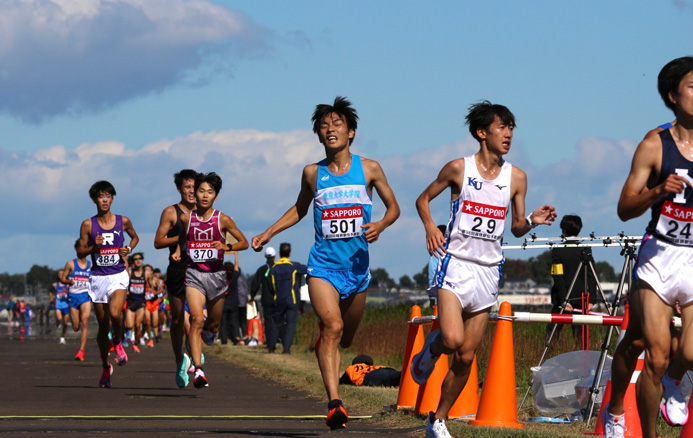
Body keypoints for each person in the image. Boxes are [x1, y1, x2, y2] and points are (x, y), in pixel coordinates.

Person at [251, 96, 400, 429]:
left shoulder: (370, 168)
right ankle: (334, 403)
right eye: (324, 126)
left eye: (337, 124)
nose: (330, 129)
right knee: (332, 328)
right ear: (318, 136)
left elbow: (394, 208)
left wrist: (381, 225)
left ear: (351, 133)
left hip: (358, 270)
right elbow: (299, 209)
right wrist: (268, 232)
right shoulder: (312, 173)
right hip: (322, 268)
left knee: (346, 338)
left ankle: (333, 349)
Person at [412, 101, 556, 438]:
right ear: (481, 132)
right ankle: (431, 350)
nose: (508, 134)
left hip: (489, 271)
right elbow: (422, 199)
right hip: (456, 264)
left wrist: (532, 221)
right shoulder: (458, 169)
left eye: (511, 128)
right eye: (501, 127)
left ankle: (439, 420)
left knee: (465, 356)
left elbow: (516, 226)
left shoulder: (516, 177)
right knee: (451, 338)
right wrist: (431, 227)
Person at [603, 56, 693, 438]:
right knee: (650, 353)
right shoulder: (654, 144)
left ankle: (676, 379)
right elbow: (624, 208)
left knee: (687, 353)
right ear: (673, 96)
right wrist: (658, 190)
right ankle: (626, 417)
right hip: (658, 257)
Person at [172, 172, 249, 389]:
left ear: (216, 196)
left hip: (216, 277)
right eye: (201, 191)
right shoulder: (187, 218)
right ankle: (198, 369)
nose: (205, 195)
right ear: (194, 193)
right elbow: (182, 236)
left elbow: (244, 243)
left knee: (212, 325)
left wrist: (227, 247)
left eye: (210, 192)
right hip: (194, 274)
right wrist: (179, 250)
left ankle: (210, 333)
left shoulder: (222, 219)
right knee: (196, 320)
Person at [77, 180, 139, 388]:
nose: (104, 199)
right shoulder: (88, 224)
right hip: (98, 278)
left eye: (108, 196)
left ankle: (119, 341)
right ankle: (105, 366)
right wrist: (94, 247)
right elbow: (80, 252)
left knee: (115, 314)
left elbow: (135, 238)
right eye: (100, 196)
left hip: (118, 275)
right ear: (95, 200)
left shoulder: (123, 221)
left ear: (112, 199)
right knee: (102, 326)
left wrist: (128, 249)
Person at [153, 169, 197, 388]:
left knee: (197, 319)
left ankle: (195, 355)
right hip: (178, 269)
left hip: (201, 269)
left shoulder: (205, 212)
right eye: (187, 187)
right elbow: (158, 242)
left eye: (194, 187)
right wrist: (179, 238)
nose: (191, 191)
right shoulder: (171, 212)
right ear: (180, 189)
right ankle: (181, 359)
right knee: (179, 319)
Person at [546, 214, 598, 348]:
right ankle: (582, 365)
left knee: (551, 337)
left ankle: (545, 360)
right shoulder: (585, 249)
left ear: (563, 229)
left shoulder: (558, 251)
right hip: (581, 300)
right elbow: (592, 275)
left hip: (561, 300)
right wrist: (592, 299)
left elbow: (558, 277)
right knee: (581, 340)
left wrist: (564, 300)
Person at [267, 242, 307, 354]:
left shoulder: (273, 268)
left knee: (275, 324)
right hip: (292, 300)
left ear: (279, 253)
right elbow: (307, 269)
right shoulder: (293, 266)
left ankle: (271, 348)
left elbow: (270, 286)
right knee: (290, 325)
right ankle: (286, 349)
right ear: (290, 253)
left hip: (278, 299)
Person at [59, 239, 93, 361]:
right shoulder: (71, 264)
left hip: (85, 296)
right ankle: (76, 320)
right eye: (81, 247)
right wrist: (68, 281)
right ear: (77, 249)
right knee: (75, 327)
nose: (84, 249)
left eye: (86, 247)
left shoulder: (91, 265)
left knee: (85, 322)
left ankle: (81, 351)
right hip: (73, 297)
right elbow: (63, 279)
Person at [251, 247, 277, 345]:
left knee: (268, 320)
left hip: (266, 299)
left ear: (265, 256)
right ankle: (277, 339)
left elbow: (255, 284)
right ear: (275, 256)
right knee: (278, 319)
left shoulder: (262, 269)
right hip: (278, 298)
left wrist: (252, 296)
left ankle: (269, 341)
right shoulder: (278, 267)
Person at [124, 253, 149, 352]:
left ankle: (136, 343)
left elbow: (149, 284)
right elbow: (125, 283)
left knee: (138, 325)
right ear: (133, 262)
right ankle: (130, 336)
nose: (138, 260)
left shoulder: (146, 274)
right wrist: (126, 290)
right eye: (136, 259)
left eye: (140, 259)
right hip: (131, 301)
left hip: (141, 301)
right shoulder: (130, 273)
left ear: (142, 260)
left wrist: (150, 290)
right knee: (129, 325)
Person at [427, 225, 447, 308]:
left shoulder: (436, 251)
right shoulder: (455, 248)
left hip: (441, 289)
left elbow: (432, 272)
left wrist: (431, 296)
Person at [51, 270, 70, 344]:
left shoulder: (68, 285)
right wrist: (51, 298)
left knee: (65, 324)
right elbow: (50, 291)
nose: (61, 275)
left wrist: (68, 292)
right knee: (59, 318)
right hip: (58, 305)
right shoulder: (55, 285)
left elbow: (72, 293)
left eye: (62, 274)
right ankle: (58, 322)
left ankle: (62, 337)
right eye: (59, 274)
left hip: (66, 306)